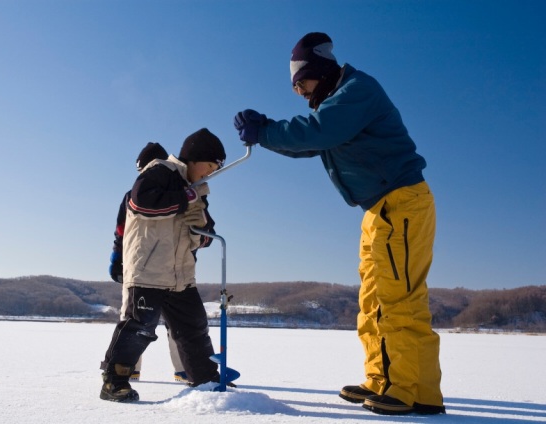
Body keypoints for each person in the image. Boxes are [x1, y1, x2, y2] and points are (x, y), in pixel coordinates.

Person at [233, 32, 445, 416]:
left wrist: (264, 130)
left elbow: (318, 133)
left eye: (302, 82)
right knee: (373, 300)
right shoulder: (335, 101)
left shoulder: (356, 90)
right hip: (378, 207)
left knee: (398, 300)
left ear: (319, 70)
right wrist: (267, 133)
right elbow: (314, 142)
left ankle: (408, 389)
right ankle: (385, 380)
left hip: (401, 202)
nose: (299, 91)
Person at [99, 128, 226, 403]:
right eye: (210, 166)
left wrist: (202, 230)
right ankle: (114, 380)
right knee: (139, 326)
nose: (211, 173)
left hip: (181, 275)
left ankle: (205, 379)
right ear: (194, 159)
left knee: (194, 325)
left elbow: (207, 234)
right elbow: (142, 203)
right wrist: (183, 199)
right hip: (148, 271)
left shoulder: (195, 190)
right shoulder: (160, 171)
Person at [109, 142, 188, 383]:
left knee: (175, 322)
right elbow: (122, 232)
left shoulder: (180, 193)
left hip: (168, 269)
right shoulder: (131, 196)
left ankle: (183, 369)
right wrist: (117, 256)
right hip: (138, 267)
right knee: (133, 318)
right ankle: (130, 367)